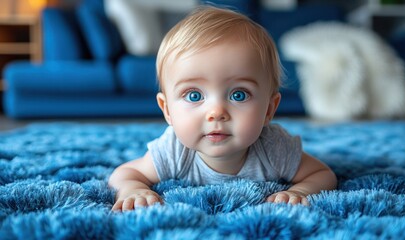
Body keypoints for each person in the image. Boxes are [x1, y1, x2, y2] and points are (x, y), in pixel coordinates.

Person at [109, 6, 337, 211]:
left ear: (269, 109)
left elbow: (321, 174)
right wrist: (132, 190)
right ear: (167, 110)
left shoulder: (274, 148)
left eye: (239, 95)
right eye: (194, 95)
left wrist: (299, 191)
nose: (216, 112)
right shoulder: (174, 151)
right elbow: (126, 174)